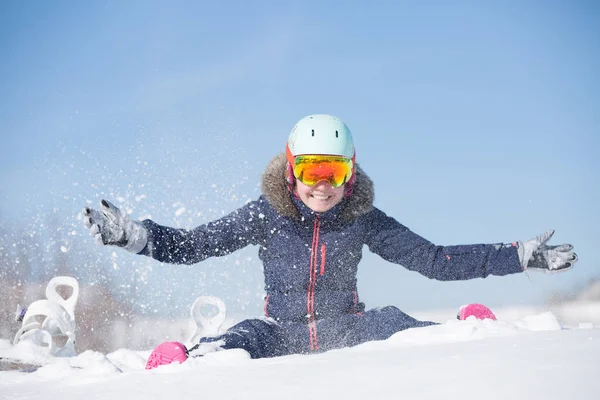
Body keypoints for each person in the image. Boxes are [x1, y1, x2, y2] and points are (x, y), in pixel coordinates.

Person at [82, 114, 578, 368]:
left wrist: (517, 256)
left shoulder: (362, 218)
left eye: (335, 169)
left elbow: (435, 261)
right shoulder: (267, 215)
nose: (323, 183)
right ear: (291, 170)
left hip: (350, 328)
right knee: (241, 337)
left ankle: (471, 331)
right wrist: (135, 237)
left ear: (350, 172)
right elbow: (194, 246)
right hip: (282, 334)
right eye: (311, 169)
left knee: (399, 321)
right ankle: (184, 360)